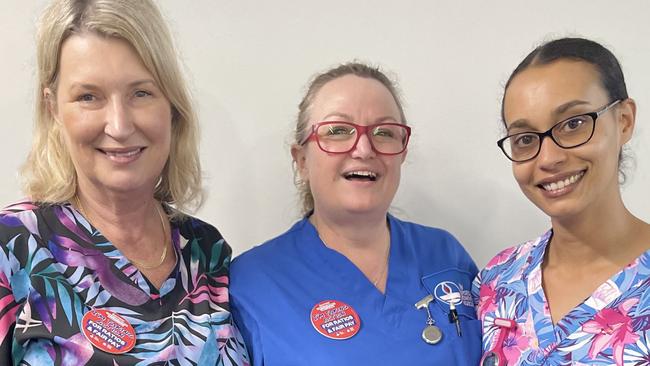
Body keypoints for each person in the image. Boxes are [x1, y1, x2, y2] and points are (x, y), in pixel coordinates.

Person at [0, 1, 249, 364]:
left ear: (171, 104)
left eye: (141, 93)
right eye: (88, 97)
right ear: (53, 108)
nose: (118, 125)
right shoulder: (14, 248)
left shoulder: (207, 251)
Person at [229, 62, 482, 365]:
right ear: (302, 160)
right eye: (337, 131)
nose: (364, 149)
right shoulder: (252, 282)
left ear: (402, 151)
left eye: (384, 132)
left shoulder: (445, 255)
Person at [473, 37, 650, 366]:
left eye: (573, 124)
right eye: (525, 139)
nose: (549, 158)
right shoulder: (498, 281)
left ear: (624, 119)